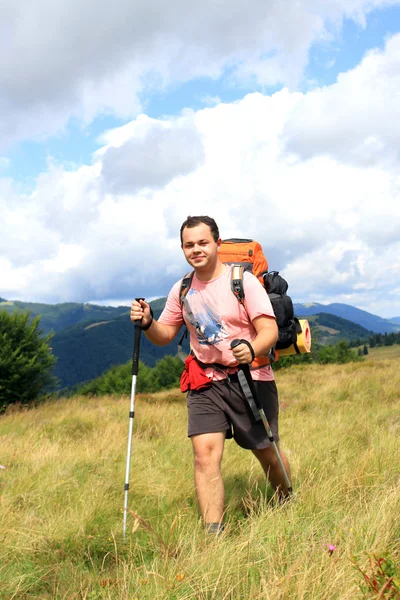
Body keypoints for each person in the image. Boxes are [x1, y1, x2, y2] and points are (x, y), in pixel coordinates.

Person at [130, 215, 291, 534]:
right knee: (204, 455)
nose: (196, 249)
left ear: (218, 244)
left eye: (203, 243)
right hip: (204, 381)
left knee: (266, 452)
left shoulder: (242, 282)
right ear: (182, 248)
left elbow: (269, 330)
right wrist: (148, 322)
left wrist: (253, 348)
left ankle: (286, 500)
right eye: (189, 245)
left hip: (250, 380)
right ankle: (213, 534)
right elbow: (165, 335)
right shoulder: (183, 288)